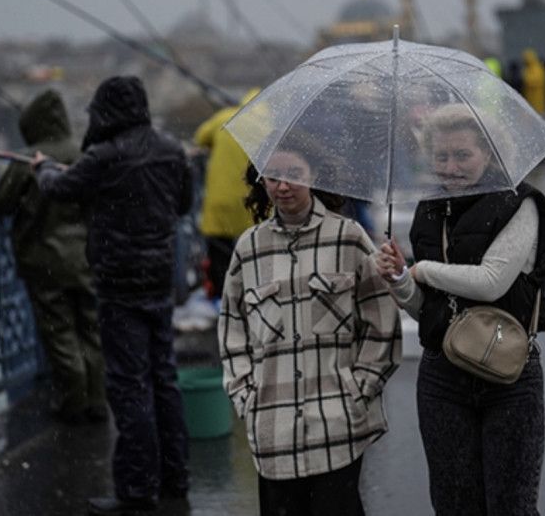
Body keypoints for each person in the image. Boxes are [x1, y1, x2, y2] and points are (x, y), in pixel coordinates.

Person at [375, 103, 545, 516]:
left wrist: (422, 269)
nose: (450, 166)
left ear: (488, 154)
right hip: (443, 376)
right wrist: (400, 280)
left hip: (509, 374)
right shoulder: (429, 211)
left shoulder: (520, 204)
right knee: (455, 506)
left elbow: (492, 283)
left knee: (511, 506)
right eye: (441, 156)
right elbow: (428, 311)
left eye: (462, 155)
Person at [33, 75, 193, 515]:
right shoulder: (171, 150)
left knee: (128, 386)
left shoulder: (103, 156)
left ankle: (136, 490)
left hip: (118, 283)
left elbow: (58, 190)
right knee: (164, 378)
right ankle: (175, 477)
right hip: (160, 278)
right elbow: (182, 205)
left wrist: (44, 167)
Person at [219, 139, 401, 516]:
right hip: (273, 431)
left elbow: (381, 320)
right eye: (272, 176)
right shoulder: (249, 248)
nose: (282, 186)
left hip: (338, 427)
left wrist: (360, 388)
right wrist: (246, 398)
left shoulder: (347, 236)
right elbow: (231, 328)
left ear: (313, 176)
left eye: (293, 175)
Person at [0, 89, 105, 425]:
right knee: (90, 329)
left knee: (60, 331)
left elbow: (1, 202)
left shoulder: (29, 159)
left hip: (45, 260)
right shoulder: (84, 153)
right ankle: (97, 398)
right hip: (86, 257)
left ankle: (73, 401)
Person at [194, 88, 260, 302]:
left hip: (220, 200)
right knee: (253, 253)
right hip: (253, 202)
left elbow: (200, 137)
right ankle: (250, 294)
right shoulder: (270, 127)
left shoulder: (227, 118)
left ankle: (223, 298)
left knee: (220, 253)